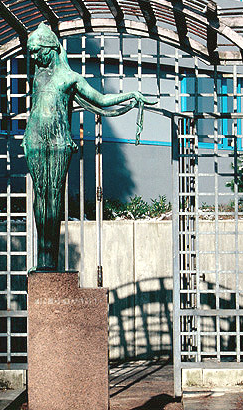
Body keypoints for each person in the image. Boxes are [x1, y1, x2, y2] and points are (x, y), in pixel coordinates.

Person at [22, 22, 156, 270]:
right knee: (38, 199)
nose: (33, 57)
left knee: (52, 199)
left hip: (59, 142)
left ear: (50, 48)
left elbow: (102, 100)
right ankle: (42, 259)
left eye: (36, 50)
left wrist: (131, 95)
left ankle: (48, 262)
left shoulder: (70, 78)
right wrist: (25, 138)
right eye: (31, 51)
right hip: (35, 141)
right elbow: (34, 109)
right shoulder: (38, 76)